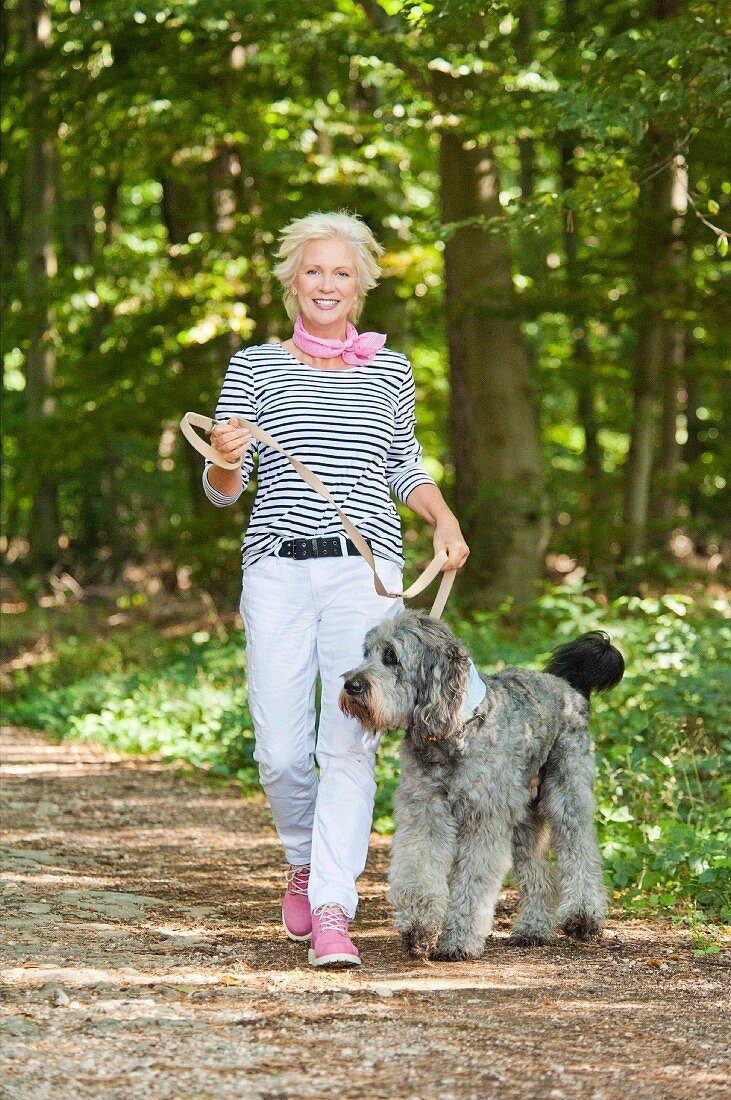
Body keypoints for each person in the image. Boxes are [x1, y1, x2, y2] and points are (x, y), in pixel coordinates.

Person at [203, 210, 469, 968]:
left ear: (361, 286)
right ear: (292, 280)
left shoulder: (390, 370)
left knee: (347, 744)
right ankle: (299, 855)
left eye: (341, 272)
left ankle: (331, 907)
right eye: (313, 270)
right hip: (277, 570)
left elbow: (403, 466)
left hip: (365, 574)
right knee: (283, 753)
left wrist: (442, 520)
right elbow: (226, 489)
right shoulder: (252, 367)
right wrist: (225, 456)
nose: (326, 284)